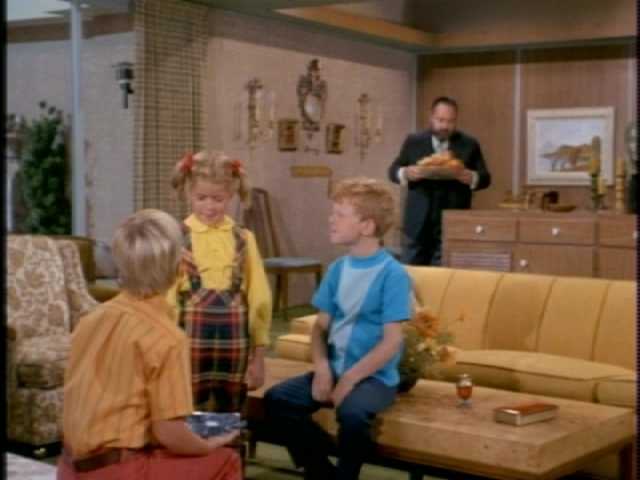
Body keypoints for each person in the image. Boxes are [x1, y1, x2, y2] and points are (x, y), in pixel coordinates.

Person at [58, 209, 241, 480]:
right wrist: (209, 445)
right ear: (180, 269)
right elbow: (169, 433)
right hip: (117, 472)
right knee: (226, 460)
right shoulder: (167, 338)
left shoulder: (89, 320)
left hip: (69, 468)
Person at [263, 177, 412, 480]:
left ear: (367, 226)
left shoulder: (393, 274)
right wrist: (321, 368)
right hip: (333, 368)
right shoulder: (337, 269)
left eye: (340, 215)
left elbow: (391, 342)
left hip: (374, 378)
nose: (331, 220)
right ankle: (321, 471)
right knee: (277, 399)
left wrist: (350, 380)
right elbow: (320, 328)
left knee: (352, 414)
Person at [169, 150, 271, 414]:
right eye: (201, 198)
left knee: (229, 410)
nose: (210, 206)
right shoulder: (176, 238)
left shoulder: (244, 239)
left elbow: (259, 299)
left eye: (218, 199)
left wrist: (259, 356)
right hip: (187, 343)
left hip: (235, 344)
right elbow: (168, 300)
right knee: (186, 407)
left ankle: (228, 442)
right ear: (188, 193)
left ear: (231, 195)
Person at [388, 96, 491, 266]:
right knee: (410, 273)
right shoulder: (413, 141)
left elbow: (486, 178)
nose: (445, 126)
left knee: (446, 275)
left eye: (450, 121)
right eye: (441, 120)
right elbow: (392, 171)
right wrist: (406, 173)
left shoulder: (469, 143)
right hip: (416, 223)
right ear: (431, 117)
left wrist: (472, 177)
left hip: (453, 222)